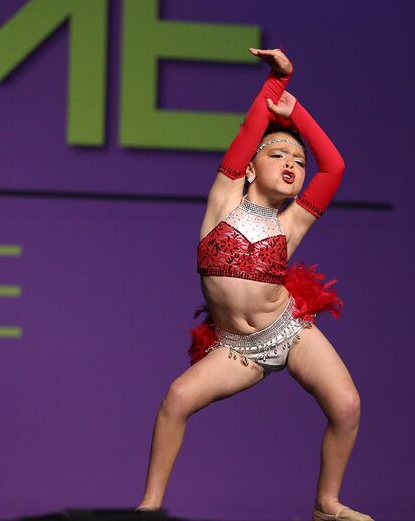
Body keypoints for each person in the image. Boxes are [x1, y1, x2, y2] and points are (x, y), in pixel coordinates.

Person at [136, 48, 373, 521]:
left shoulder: (292, 223)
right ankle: (149, 506)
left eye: (298, 161)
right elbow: (250, 129)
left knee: (346, 406)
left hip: (289, 330)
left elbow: (334, 168)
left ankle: (326, 504)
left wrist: (295, 112)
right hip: (237, 349)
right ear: (248, 168)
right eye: (277, 153)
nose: (291, 163)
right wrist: (278, 81)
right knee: (177, 398)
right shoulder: (223, 199)